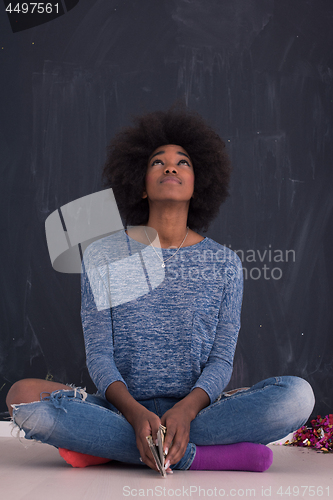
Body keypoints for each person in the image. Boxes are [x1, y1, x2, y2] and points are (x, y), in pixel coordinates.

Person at [6, 107, 315, 473]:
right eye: (158, 162)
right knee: (20, 397)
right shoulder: (103, 256)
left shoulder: (225, 264)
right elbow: (100, 355)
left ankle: (112, 448)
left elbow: (220, 361)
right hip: (122, 409)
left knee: (297, 397)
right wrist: (136, 415)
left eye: (183, 162)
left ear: (199, 183)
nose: (171, 167)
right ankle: (196, 455)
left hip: (198, 412)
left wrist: (186, 409)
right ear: (140, 183)